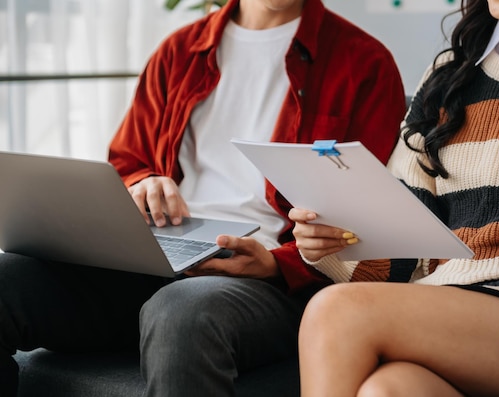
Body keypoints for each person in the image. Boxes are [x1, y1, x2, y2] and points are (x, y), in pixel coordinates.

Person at [0, 0, 406, 396]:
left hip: (270, 282)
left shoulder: (365, 63)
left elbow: (363, 224)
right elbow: (128, 161)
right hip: (156, 257)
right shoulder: (180, 51)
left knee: (181, 311)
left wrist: (274, 264)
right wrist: (143, 182)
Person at [288, 0, 499, 396]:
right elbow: (405, 251)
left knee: (335, 311)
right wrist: (331, 242)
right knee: (389, 390)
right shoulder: (448, 75)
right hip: (454, 304)